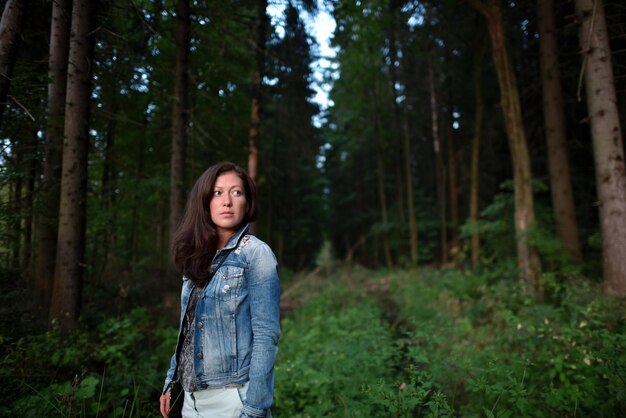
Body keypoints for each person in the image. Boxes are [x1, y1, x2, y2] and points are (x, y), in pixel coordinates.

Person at [159, 162, 281, 418]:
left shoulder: (256, 254)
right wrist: (171, 381)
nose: (227, 201)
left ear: (247, 203)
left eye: (237, 193)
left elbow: (266, 335)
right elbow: (187, 328)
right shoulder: (196, 257)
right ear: (204, 201)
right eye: (217, 193)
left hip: (232, 398)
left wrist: (255, 408)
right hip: (190, 398)